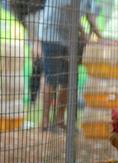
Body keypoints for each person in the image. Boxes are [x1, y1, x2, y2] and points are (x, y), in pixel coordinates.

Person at [38, 0, 100, 132]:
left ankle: (60, 120)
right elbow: (72, 12)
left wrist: (101, 38)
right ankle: (45, 121)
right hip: (51, 34)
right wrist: (83, 34)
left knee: (68, 79)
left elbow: (90, 16)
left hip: (69, 38)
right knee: (52, 78)